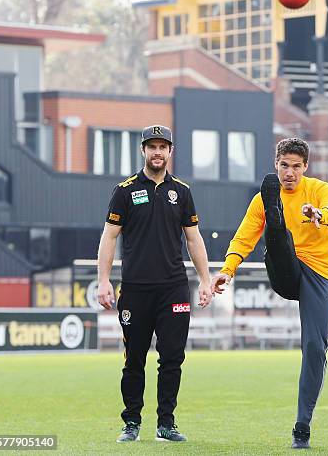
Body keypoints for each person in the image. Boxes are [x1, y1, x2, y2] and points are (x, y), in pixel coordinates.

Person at [210, 138, 328, 449]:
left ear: (306, 167)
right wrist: (227, 271)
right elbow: (243, 238)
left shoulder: (321, 190)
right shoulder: (261, 199)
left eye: (296, 167)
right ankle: (277, 220)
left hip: (320, 273)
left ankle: (302, 425)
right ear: (276, 165)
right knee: (278, 237)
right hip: (285, 269)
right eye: (284, 166)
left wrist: (319, 215)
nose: (290, 173)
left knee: (315, 346)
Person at [97, 124, 213, 443]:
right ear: (143, 151)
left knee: (172, 357)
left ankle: (166, 424)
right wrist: (103, 280)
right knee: (134, 358)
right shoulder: (124, 190)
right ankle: (131, 422)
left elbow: (193, 239)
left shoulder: (183, 192)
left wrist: (205, 280)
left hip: (173, 288)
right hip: (135, 289)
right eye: (152, 146)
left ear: (170, 151)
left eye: (163, 146)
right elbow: (109, 236)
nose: (157, 152)